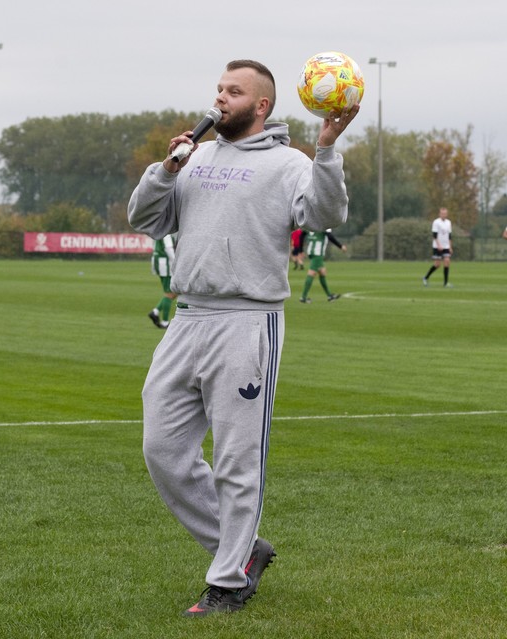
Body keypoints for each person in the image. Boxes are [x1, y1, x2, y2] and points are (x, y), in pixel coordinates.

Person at [127, 59, 358, 617]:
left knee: (237, 460)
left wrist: (327, 148)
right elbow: (144, 221)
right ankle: (244, 549)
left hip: (247, 322)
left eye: (234, 92)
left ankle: (228, 580)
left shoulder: (288, 164)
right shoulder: (196, 158)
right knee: (162, 450)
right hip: (187, 319)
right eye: (219, 89)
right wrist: (164, 169)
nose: (220, 98)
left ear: (261, 107)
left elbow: (327, 215)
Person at [299, 229, 345, 303]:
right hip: (318, 253)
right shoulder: (325, 224)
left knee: (322, 272)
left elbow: (302, 234)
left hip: (312, 252)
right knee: (312, 273)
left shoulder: (311, 224)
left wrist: (301, 250)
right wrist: (340, 246)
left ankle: (329, 295)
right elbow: (330, 236)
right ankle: (303, 297)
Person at [148, 234, 177, 329]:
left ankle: (155, 312)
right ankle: (165, 322)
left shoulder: (160, 231)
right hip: (165, 265)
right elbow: (168, 249)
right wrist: (175, 263)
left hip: (158, 262)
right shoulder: (167, 233)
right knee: (169, 293)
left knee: (174, 292)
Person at [422, 207, 453, 287]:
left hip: (446, 246)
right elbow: (434, 235)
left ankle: (445, 283)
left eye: (445, 213)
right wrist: (438, 245)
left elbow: (449, 236)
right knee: (437, 264)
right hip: (437, 246)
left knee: (447, 261)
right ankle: (425, 277)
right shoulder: (436, 222)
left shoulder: (448, 222)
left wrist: (450, 247)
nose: (444, 215)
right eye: (442, 213)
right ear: (439, 214)